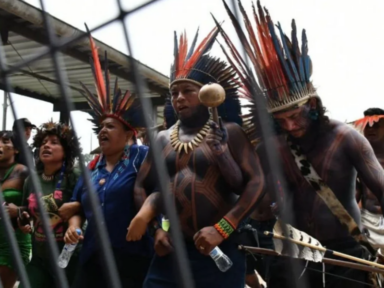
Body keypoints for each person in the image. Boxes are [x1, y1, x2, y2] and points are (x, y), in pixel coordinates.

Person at [217, 1, 384, 287]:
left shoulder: (346, 138)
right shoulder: (272, 148)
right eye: (281, 120)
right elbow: (251, 194)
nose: (290, 126)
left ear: (313, 104)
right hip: (292, 253)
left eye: (295, 116)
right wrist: (223, 157)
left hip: (344, 253)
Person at [127, 27, 265, 288]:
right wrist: (157, 228)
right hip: (170, 251)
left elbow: (256, 182)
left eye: (188, 91)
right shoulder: (161, 139)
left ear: (206, 95)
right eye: (174, 93)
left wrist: (223, 228)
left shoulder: (230, 132)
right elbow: (141, 186)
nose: (179, 98)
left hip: (219, 249)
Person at [64, 32, 152, 288]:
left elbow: (162, 195)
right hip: (93, 256)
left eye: (111, 126)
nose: (103, 130)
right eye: (100, 127)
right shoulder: (91, 168)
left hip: (134, 256)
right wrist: (73, 225)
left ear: (128, 134)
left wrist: (146, 220)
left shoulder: (141, 157)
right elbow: (76, 206)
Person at [17, 121, 81, 288]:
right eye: (43, 143)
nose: (46, 146)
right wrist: (23, 218)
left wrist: (77, 207)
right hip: (39, 260)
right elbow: (26, 210)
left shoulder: (75, 176)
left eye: (54, 142)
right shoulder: (31, 180)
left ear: (66, 150)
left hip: (69, 260)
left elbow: (90, 205)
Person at [0, 130, 30, 288]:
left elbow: (36, 205)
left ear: (16, 149)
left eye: (5, 141)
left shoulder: (23, 172)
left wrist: (18, 210)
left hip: (13, 239)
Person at [354, 108, 384, 251]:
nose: (371, 129)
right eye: (367, 125)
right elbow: (354, 193)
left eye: (376, 125)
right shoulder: (358, 158)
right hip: (368, 221)